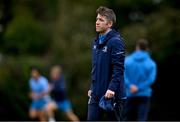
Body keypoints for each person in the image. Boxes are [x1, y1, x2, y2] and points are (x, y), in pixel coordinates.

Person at [87, 6, 126, 121]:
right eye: (97, 19)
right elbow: (95, 68)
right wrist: (92, 87)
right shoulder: (95, 42)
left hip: (112, 95)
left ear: (109, 24)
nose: (97, 22)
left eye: (101, 20)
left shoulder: (116, 42)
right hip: (95, 94)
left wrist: (112, 89)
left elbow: (118, 69)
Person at [124, 39, 157, 121]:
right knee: (142, 118)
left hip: (129, 93)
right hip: (144, 94)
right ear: (147, 49)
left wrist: (130, 86)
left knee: (128, 118)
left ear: (137, 47)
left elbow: (123, 76)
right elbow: (151, 79)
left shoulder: (127, 61)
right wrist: (138, 88)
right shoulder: (151, 63)